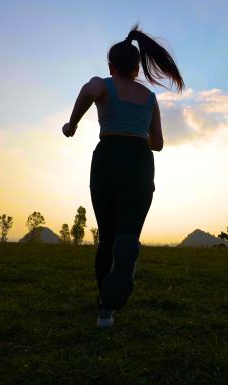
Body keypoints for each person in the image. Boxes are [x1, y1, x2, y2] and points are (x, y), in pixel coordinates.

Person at [62, 25, 184, 328]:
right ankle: (128, 251)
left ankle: (105, 310)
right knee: (127, 235)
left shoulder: (102, 84)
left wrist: (72, 124)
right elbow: (157, 144)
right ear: (137, 67)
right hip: (139, 163)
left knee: (107, 237)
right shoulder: (149, 97)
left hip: (107, 159)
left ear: (110, 66)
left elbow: (88, 92)